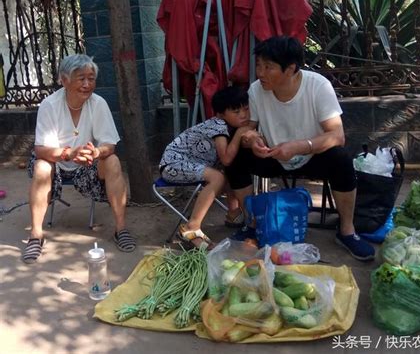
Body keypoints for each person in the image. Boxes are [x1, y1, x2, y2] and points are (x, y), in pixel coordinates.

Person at [225, 36, 375, 261]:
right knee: (236, 156)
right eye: (258, 65)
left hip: (312, 156)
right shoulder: (256, 91)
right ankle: (253, 223)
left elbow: (337, 135)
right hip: (272, 156)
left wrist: (301, 146)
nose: (260, 73)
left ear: (291, 69)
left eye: (268, 67)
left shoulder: (318, 86)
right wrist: (252, 140)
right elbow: (250, 128)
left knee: (341, 158)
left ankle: (347, 231)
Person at [22, 54, 135, 264]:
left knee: (113, 161)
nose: (86, 84)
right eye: (80, 78)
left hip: (87, 164)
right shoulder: (50, 104)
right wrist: (69, 154)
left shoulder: (98, 103)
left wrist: (96, 153)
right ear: (64, 80)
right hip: (56, 160)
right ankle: (36, 235)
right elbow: (41, 150)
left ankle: (121, 229)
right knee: (41, 167)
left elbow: (110, 144)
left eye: (91, 79)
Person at [159, 86, 254, 249]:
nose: (243, 115)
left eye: (246, 109)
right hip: (173, 164)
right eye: (236, 112)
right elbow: (225, 158)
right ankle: (192, 227)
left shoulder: (229, 126)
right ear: (221, 114)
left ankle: (233, 214)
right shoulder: (218, 125)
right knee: (218, 177)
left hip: (190, 164)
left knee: (229, 171)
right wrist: (240, 134)